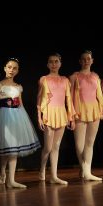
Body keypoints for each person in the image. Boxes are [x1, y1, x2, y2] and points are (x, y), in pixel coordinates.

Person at [0, 57, 41, 189]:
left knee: (13, 149)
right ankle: (2, 172)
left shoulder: (18, 87)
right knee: (6, 149)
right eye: (9, 67)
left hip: (17, 117)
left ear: (18, 71)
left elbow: (21, 104)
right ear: (5, 68)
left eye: (14, 68)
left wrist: (25, 123)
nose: (11, 70)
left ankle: (11, 180)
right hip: (4, 117)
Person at [37, 53, 75, 185]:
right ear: (47, 64)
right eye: (51, 62)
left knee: (56, 146)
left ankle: (54, 176)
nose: (54, 64)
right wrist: (39, 117)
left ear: (60, 63)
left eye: (56, 61)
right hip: (49, 113)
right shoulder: (44, 79)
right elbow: (39, 99)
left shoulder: (65, 80)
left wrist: (71, 117)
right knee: (48, 147)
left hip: (61, 113)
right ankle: (42, 168)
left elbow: (69, 99)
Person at [70, 50, 103, 181]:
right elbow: (70, 97)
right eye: (83, 59)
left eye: (88, 59)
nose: (86, 61)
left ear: (92, 61)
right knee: (79, 144)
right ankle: (85, 169)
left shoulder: (96, 76)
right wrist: (71, 114)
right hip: (80, 110)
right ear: (80, 61)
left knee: (90, 143)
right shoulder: (75, 76)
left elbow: (99, 95)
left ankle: (86, 171)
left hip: (94, 110)